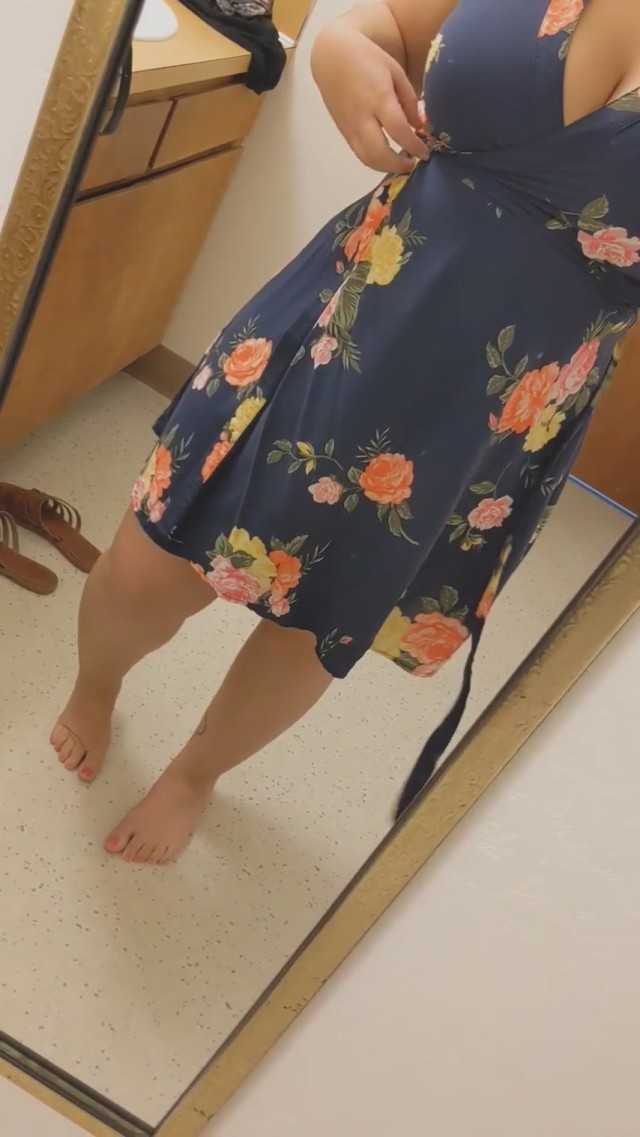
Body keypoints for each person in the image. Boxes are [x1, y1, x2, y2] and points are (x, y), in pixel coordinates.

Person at [51, 0, 640, 864]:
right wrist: (342, 46)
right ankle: (96, 687)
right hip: (345, 309)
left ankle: (195, 773)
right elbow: (386, 25)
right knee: (150, 558)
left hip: (490, 412)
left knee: (320, 621)